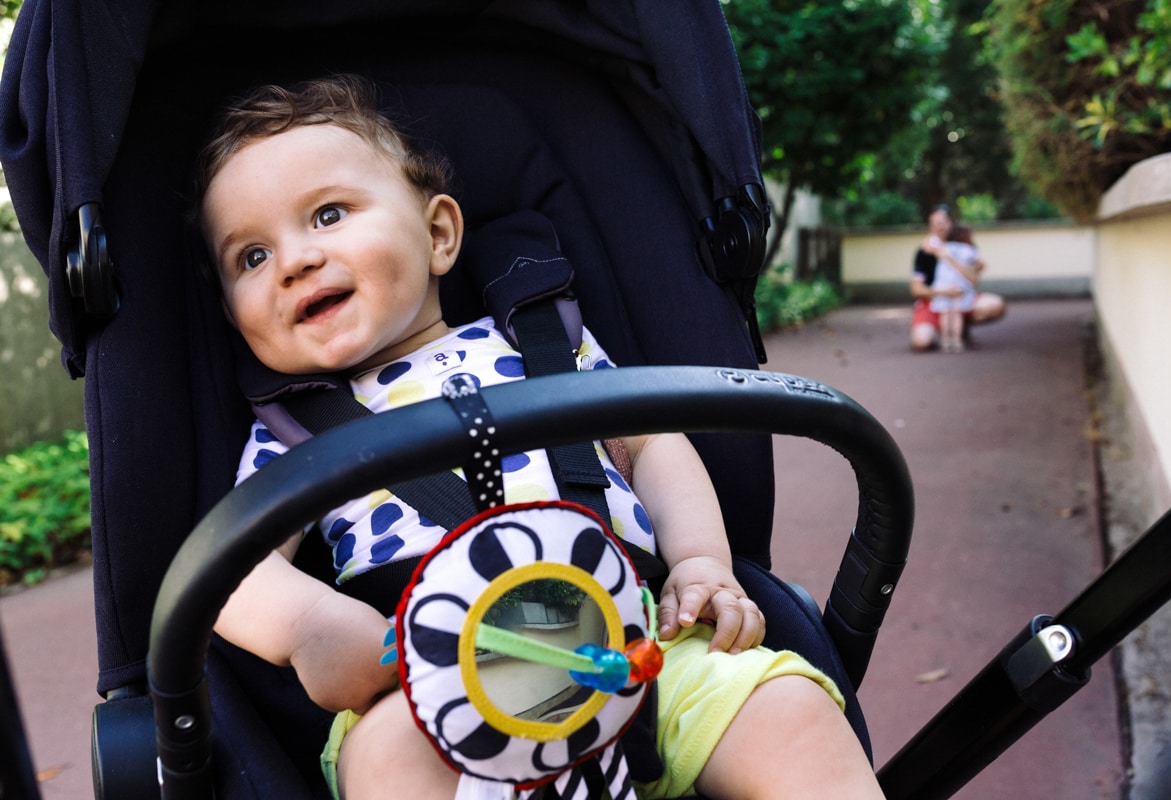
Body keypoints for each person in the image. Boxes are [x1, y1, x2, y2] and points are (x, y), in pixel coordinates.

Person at [192, 76, 884, 800]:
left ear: (437, 234)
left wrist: (702, 560)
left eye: (328, 214)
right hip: (429, 690)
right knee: (386, 761)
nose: (294, 261)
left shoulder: (545, 343)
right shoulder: (293, 428)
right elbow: (234, 565)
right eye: (251, 257)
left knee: (787, 711)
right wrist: (311, 626)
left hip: (631, 640)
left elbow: (651, 445)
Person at [909, 205, 1006, 351]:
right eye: (934, 224)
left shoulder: (965, 248)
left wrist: (949, 259)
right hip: (935, 301)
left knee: (994, 305)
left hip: (961, 298)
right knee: (921, 342)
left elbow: (974, 278)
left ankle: (960, 329)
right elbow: (916, 289)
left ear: (951, 224)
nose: (938, 228)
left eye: (941, 223)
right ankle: (942, 331)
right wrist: (944, 292)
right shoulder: (924, 252)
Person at [929, 224, 979, 353]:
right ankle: (957, 340)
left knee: (945, 314)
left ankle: (946, 340)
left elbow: (931, 245)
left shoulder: (944, 247)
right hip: (960, 286)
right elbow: (976, 263)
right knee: (957, 314)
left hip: (943, 286)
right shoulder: (968, 249)